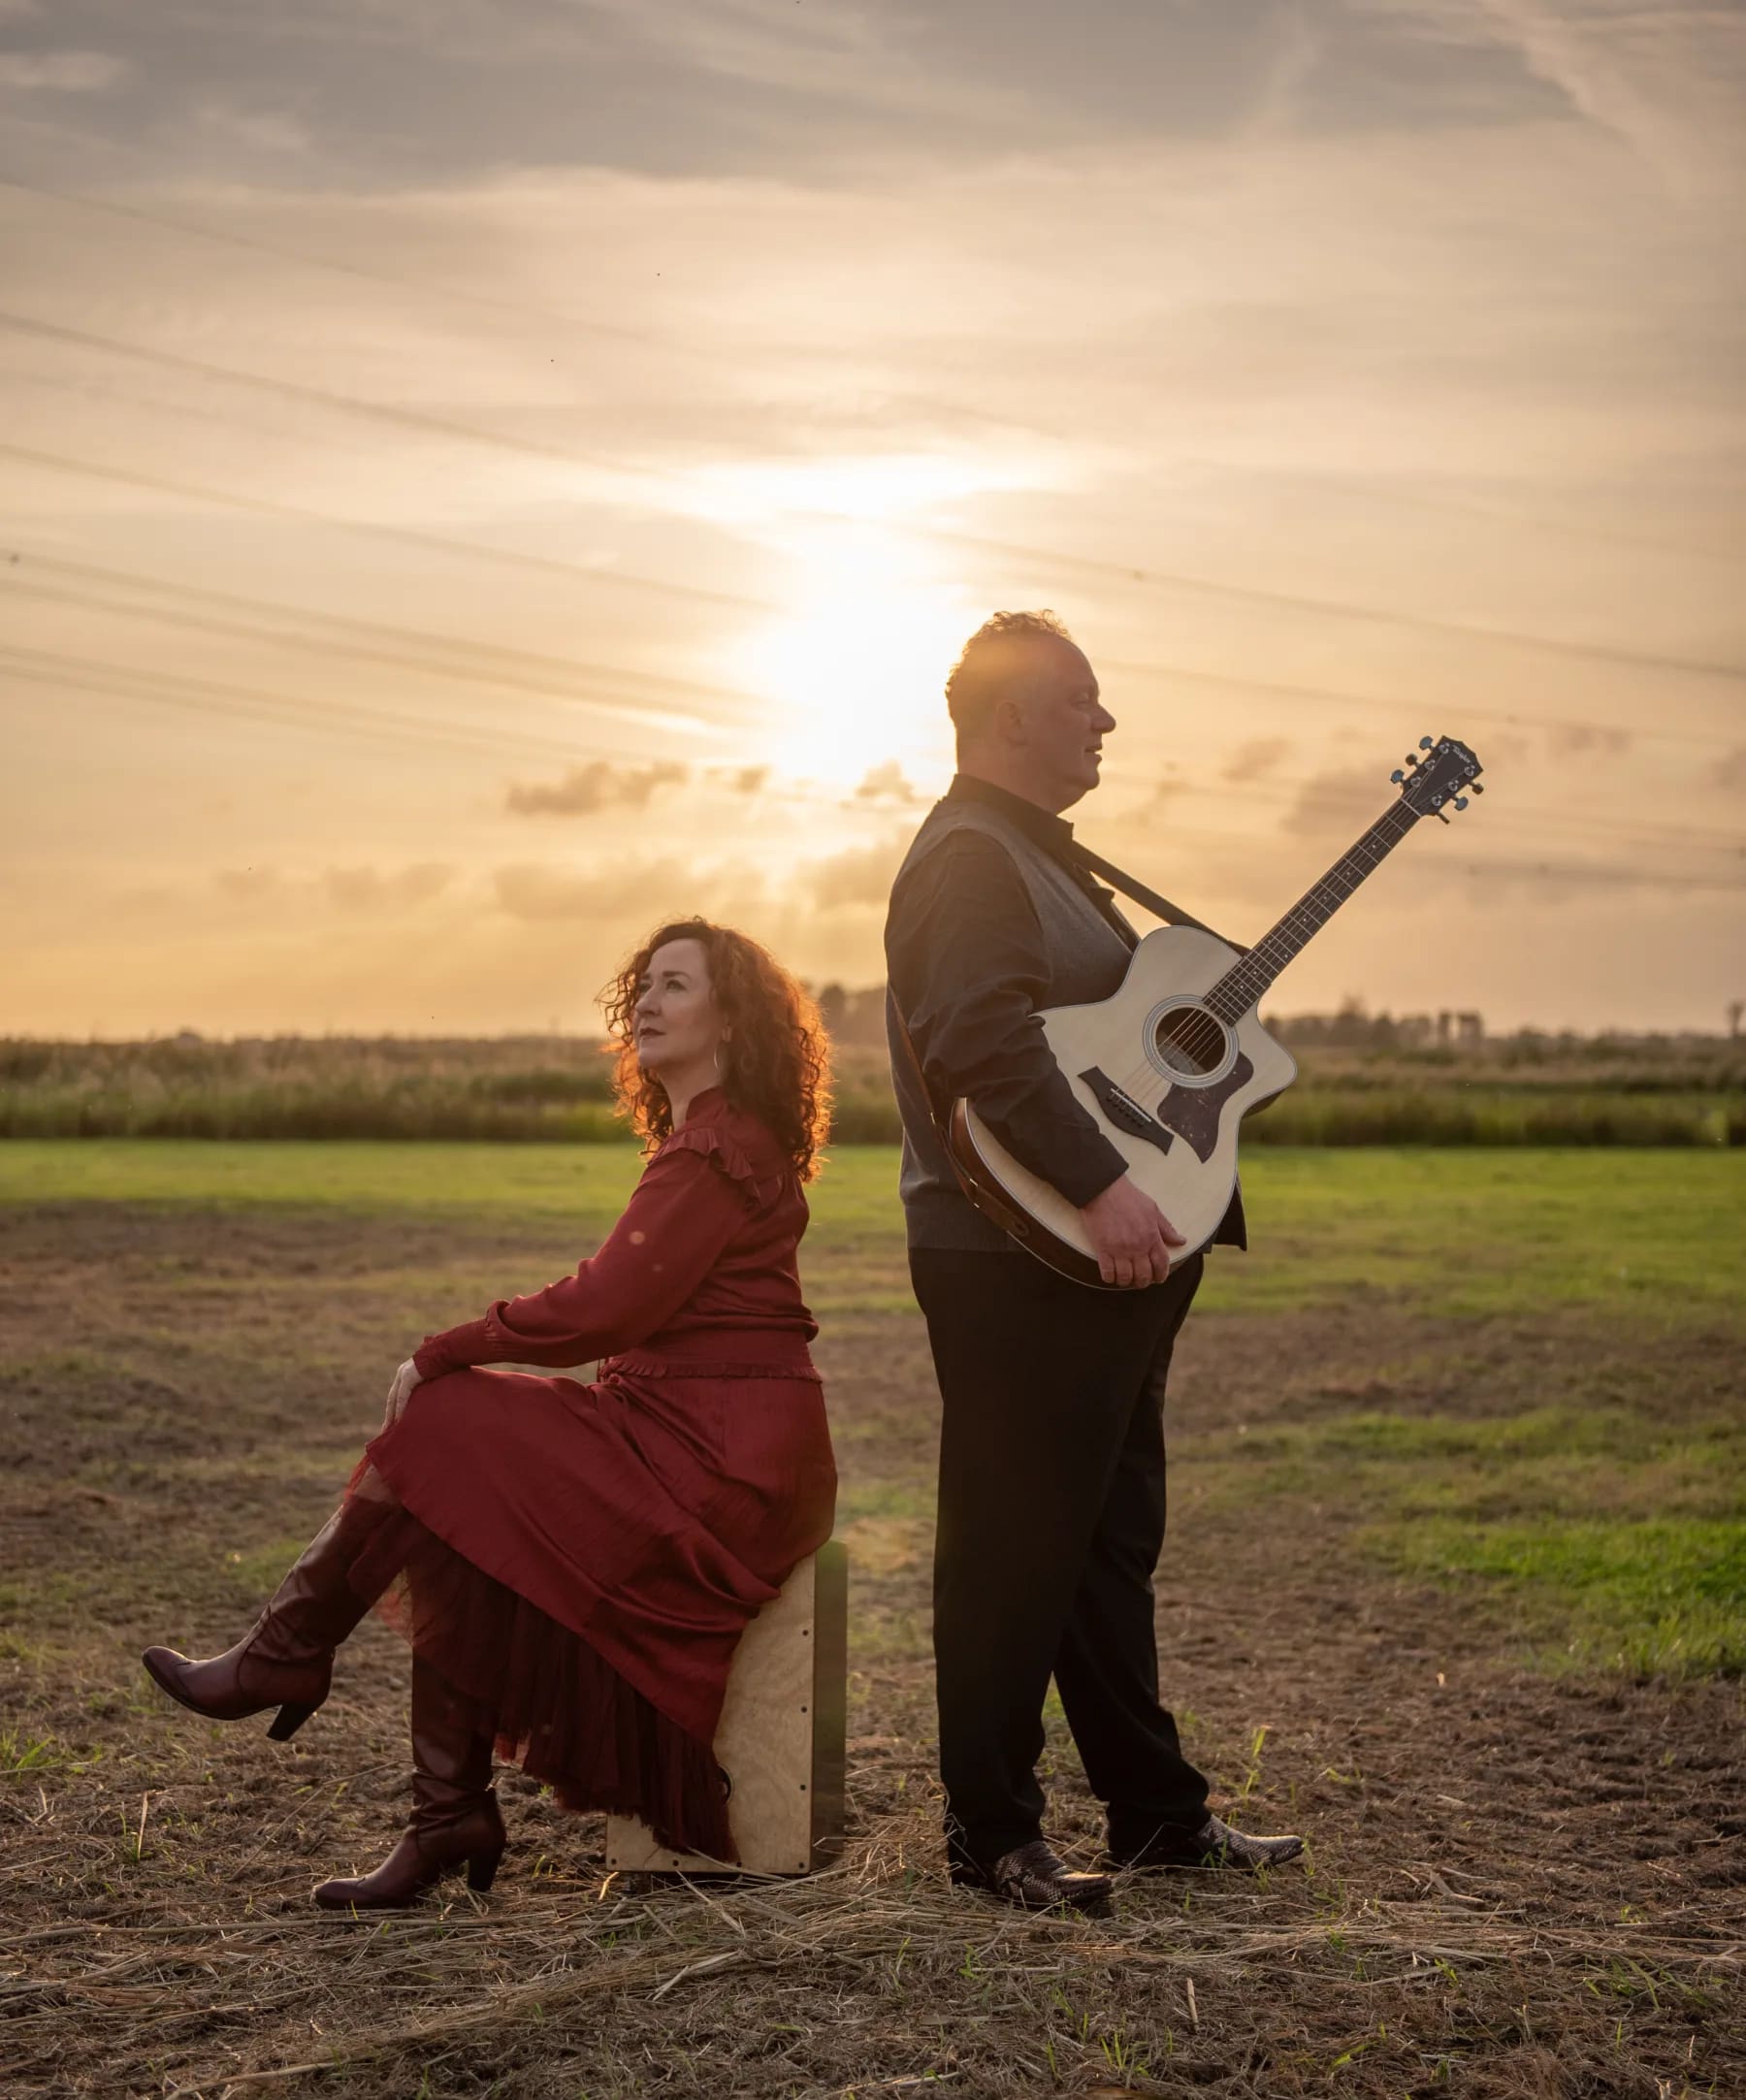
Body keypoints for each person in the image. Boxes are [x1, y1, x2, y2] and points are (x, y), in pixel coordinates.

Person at [143, 920, 837, 1907]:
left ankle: (287, 1652)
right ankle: (442, 1809)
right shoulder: (713, 1140)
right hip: (707, 1438)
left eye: (676, 985)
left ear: (732, 1019)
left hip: (718, 1463)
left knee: (446, 1417)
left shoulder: (716, 1147)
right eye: (644, 981)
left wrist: (446, 1345)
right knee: (460, 1495)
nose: (646, 999)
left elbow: (606, 1304)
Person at [884, 610, 1304, 1912]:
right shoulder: (968, 856)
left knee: (1104, 1542)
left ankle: (1156, 1818)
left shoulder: (1039, 857)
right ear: (1012, 717)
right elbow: (981, 1044)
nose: (1105, 720)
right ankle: (991, 1833)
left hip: (1089, 1255)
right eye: (1082, 699)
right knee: (1013, 1543)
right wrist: (1109, 1188)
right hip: (1017, 1252)